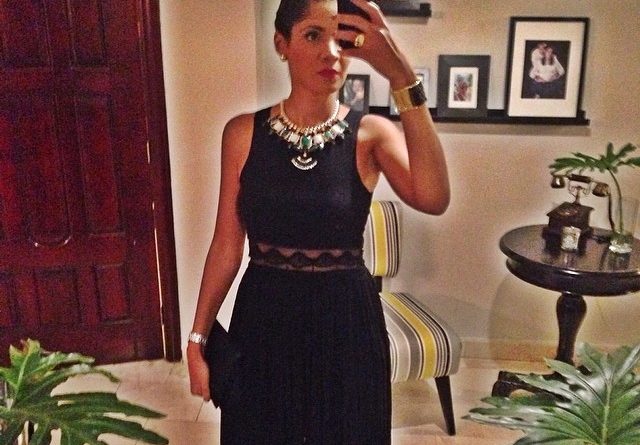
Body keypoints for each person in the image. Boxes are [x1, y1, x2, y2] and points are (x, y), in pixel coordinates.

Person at [187, 0, 450, 443]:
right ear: (281, 44)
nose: (331, 52)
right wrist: (198, 340)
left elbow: (434, 196)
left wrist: (402, 75)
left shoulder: (371, 135)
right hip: (264, 323)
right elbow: (226, 245)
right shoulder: (242, 134)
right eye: (313, 35)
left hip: (346, 326)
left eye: (343, 40)